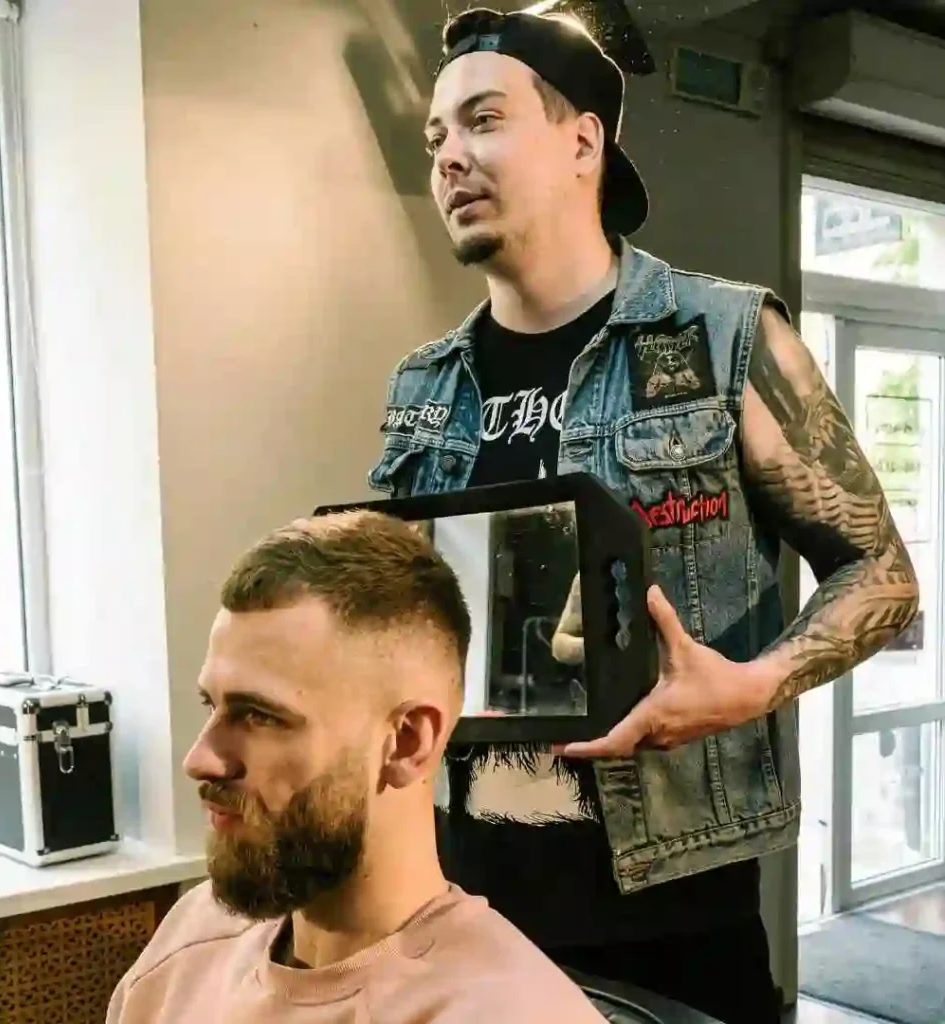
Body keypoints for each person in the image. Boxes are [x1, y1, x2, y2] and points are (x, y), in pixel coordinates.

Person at [367, 8, 920, 1023]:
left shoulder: (723, 338)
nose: (448, 157)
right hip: (461, 914)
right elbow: (406, 624)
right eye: (436, 136)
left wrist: (749, 686)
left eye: (482, 120)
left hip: (672, 921)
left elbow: (882, 572)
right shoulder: (422, 385)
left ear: (582, 141)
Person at [105, 511, 607, 1024]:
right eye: (211, 705)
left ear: (406, 743)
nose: (199, 759)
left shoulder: (507, 1012)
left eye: (259, 716)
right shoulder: (192, 938)